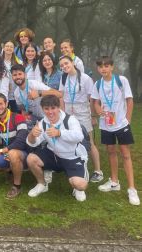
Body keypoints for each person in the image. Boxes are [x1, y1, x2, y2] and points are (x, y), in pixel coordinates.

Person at [91, 56, 140, 206]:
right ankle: (114, 182)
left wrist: (128, 120)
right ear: (98, 69)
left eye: (106, 66)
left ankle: (132, 189)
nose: (103, 69)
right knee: (111, 151)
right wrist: (99, 112)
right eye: (101, 67)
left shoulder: (121, 80)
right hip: (106, 125)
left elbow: (129, 100)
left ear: (112, 67)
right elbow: (95, 102)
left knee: (125, 154)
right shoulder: (98, 84)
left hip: (121, 124)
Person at [26, 95, 88, 202]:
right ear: (43, 109)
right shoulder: (43, 123)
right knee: (31, 158)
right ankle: (41, 184)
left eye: (53, 108)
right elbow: (32, 143)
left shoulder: (69, 119)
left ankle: (78, 182)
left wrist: (59, 133)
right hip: (54, 154)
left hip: (72, 157)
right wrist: (32, 135)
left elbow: (79, 136)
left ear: (58, 107)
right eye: (46, 109)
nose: (50, 112)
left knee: (81, 185)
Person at [59, 55, 103, 183]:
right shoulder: (64, 78)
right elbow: (61, 96)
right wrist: (63, 114)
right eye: (61, 66)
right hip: (68, 112)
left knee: (89, 141)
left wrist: (93, 115)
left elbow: (92, 98)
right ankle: (74, 168)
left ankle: (98, 171)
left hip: (83, 112)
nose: (64, 67)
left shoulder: (85, 78)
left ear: (73, 62)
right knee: (71, 140)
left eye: (66, 63)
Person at [2, 40, 21, 113]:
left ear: (13, 49)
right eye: (7, 46)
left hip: (14, 95)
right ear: (3, 48)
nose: (9, 48)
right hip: (3, 94)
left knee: (15, 116)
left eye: (11, 47)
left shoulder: (18, 62)